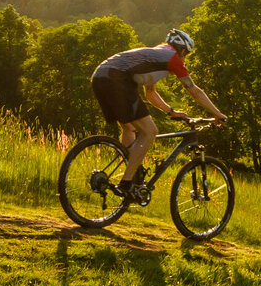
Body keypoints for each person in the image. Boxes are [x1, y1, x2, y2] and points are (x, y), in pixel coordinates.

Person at [90, 28, 228, 201]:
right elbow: (195, 92)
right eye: (187, 54)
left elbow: (150, 93)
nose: (185, 58)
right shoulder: (174, 59)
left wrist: (171, 111)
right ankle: (126, 183)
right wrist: (217, 113)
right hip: (117, 78)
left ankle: (133, 170)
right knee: (150, 132)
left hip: (99, 76)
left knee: (129, 127)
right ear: (183, 50)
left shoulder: (157, 54)